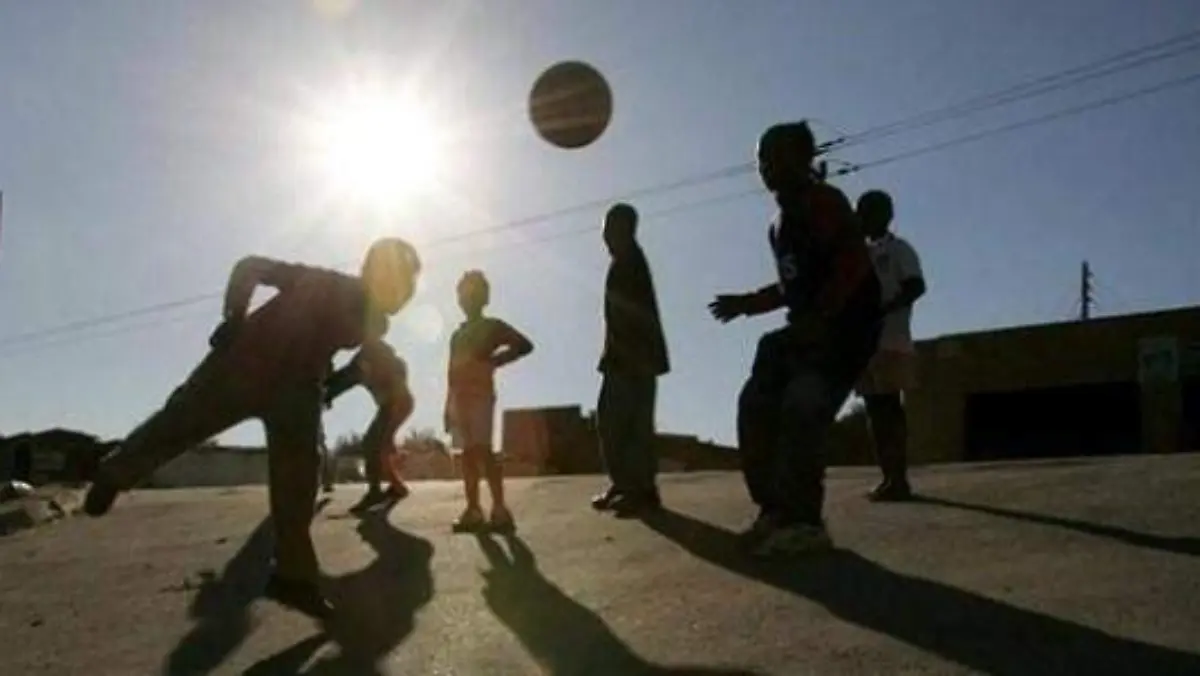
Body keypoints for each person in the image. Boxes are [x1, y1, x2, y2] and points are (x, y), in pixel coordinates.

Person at [83, 238, 422, 618]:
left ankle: (294, 576)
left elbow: (356, 367)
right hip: (244, 365)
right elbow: (250, 267)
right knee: (179, 423)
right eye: (399, 285)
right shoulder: (327, 282)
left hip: (297, 388)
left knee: (300, 479)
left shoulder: (375, 322)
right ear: (372, 273)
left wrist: (329, 387)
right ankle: (115, 472)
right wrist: (234, 318)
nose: (402, 298)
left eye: (408, 291)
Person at [709, 120, 882, 557]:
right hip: (806, 332)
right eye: (761, 160)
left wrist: (823, 316)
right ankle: (775, 510)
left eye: (777, 158)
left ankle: (805, 522)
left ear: (803, 160)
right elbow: (792, 286)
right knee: (756, 404)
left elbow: (853, 263)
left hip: (845, 331)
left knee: (803, 406)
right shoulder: (778, 225)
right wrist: (747, 303)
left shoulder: (824, 202)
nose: (767, 168)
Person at [591, 203, 670, 516]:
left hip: (634, 359)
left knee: (631, 426)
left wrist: (629, 357)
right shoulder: (624, 262)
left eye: (609, 229)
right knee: (614, 423)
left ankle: (641, 490)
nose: (605, 236)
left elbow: (633, 317)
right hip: (623, 358)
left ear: (623, 229)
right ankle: (625, 484)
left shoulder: (631, 263)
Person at [445, 270, 533, 533]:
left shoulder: (492, 326)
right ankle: (473, 509)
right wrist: (448, 405)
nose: (467, 298)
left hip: (481, 394)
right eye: (463, 293)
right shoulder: (456, 335)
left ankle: (500, 509)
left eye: (473, 293)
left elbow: (524, 345)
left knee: (483, 450)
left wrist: (494, 361)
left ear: (484, 298)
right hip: (459, 398)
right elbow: (451, 372)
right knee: (467, 454)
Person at [855, 189, 926, 502]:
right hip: (864, 344)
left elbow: (916, 286)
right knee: (874, 410)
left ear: (886, 215)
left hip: (891, 341)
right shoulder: (859, 252)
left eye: (869, 212)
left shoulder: (899, 249)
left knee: (889, 409)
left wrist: (886, 308)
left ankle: (898, 479)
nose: (863, 218)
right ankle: (887, 477)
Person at [323, 339, 414, 510]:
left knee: (372, 443)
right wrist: (326, 392)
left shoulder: (385, 359)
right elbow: (343, 380)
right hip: (391, 405)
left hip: (398, 403)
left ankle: (375, 492)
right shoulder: (360, 363)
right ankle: (398, 487)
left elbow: (398, 375)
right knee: (382, 445)